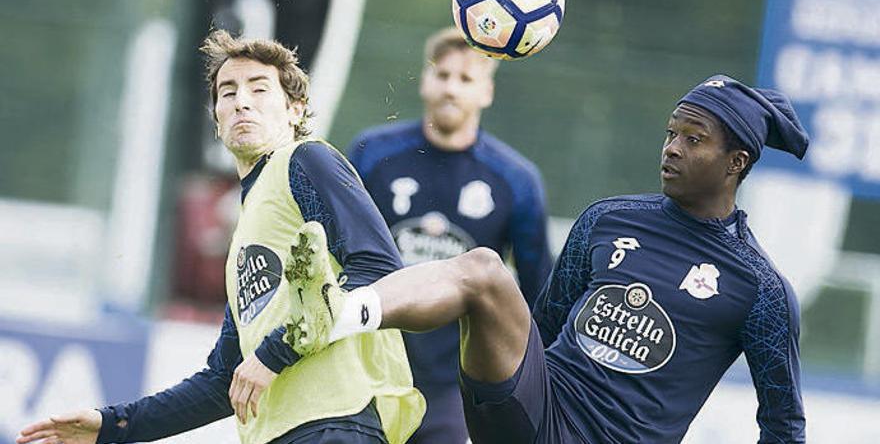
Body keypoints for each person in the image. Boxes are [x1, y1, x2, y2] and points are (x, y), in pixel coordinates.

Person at [289, 74, 809, 443]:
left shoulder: (760, 289)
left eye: (693, 139)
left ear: (736, 162)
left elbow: (783, 427)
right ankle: (343, 312)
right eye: (671, 132)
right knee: (485, 269)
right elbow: (544, 324)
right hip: (536, 409)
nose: (671, 148)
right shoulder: (609, 219)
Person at [16, 30, 424, 444]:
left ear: (295, 110)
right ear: (217, 120)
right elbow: (223, 378)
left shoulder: (305, 160)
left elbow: (380, 268)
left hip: (336, 422)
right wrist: (116, 425)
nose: (241, 101)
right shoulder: (247, 227)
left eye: (259, 88)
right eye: (227, 93)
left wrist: (274, 352)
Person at [346, 27, 553, 443]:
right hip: (365, 371)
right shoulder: (372, 154)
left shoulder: (516, 180)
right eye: (442, 75)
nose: (451, 89)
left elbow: (538, 296)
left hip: (451, 389)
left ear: (487, 92)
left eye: (466, 79)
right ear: (425, 80)